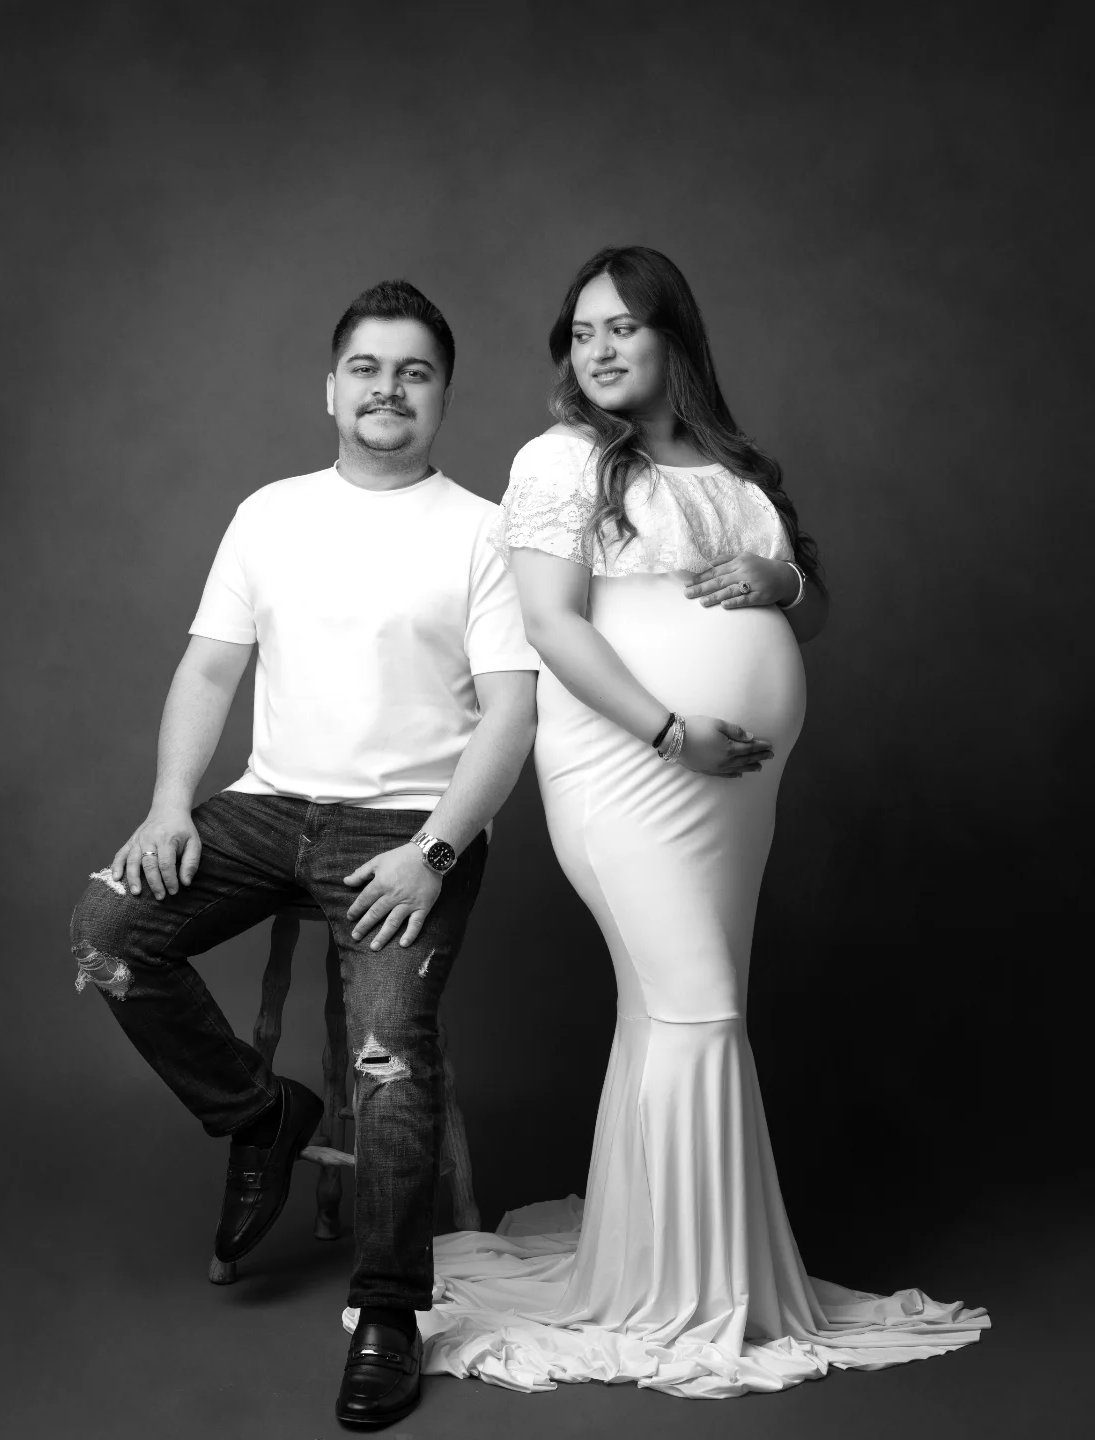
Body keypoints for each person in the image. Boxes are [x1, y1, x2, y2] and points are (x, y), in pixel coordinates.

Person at [418, 246, 989, 1397]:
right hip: (628, 765)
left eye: (624, 326)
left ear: (674, 335)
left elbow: (805, 610)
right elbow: (553, 625)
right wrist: (674, 731)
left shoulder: (735, 471)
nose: (600, 349)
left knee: (670, 1008)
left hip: (736, 793)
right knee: (699, 1007)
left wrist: (784, 588)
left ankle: (659, 1263)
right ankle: (701, 1294)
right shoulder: (563, 459)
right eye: (582, 333)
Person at [69, 279, 539, 1428]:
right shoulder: (269, 513)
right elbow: (208, 669)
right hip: (269, 809)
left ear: (442, 395)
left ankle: (388, 1313)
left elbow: (512, 716)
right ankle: (259, 1115)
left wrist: (434, 853)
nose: (389, 389)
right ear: (331, 388)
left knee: (386, 1058)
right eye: (367, 369)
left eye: (415, 372)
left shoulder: (482, 529)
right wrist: (170, 806)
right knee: (108, 934)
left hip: (410, 830)